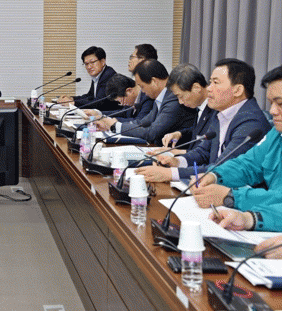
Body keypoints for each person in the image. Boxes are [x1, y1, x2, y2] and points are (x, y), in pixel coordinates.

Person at [139, 59, 270, 182]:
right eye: (210, 82)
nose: (208, 88)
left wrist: (170, 174)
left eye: (216, 83)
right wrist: (177, 161)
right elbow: (203, 152)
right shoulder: (221, 113)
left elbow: (222, 168)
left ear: (238, 90)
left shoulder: (251, 122)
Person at [191, 65, 282, 211]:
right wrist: (215, 175)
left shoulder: (252, 120)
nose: (272, 111)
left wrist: (231, 197)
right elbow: (248, 164)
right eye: (271, 103)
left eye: (280, 104)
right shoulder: (276, 134)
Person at [96, 59, 197, 143]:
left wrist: (116, 126)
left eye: (142, 86)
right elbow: (142, 122)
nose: (142, 91)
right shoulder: (162, 97)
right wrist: (115, 124)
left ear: (154, 81)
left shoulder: (174, 99)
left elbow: (152, 133)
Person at [58, 46, 120, 111]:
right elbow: (90, 96)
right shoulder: (98, 75)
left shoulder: (108, 75)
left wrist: (74, 103)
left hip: (112, 114)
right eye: (86, 64)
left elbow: (100, 102)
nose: (89, 67)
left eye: (92, 62)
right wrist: (72, 99)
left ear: (102, 62)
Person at [86, 73, 153, 122]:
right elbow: (123, 113)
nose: (122, 104)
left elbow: (139, 121)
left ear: (129, 91)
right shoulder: (132, 99)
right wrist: (99, 114)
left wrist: (110, 121)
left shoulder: (147, 98)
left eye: (121, 100)